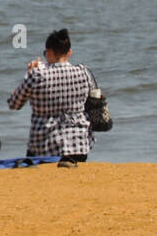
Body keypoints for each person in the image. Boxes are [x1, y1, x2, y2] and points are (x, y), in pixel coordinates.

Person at [7, 28, 94, 162]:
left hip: (45, 146)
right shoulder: (84, 72)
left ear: (48, 52)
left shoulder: (37, 75)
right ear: (69, 52)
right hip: (79, 144)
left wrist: (29, 74)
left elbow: (14, 104)